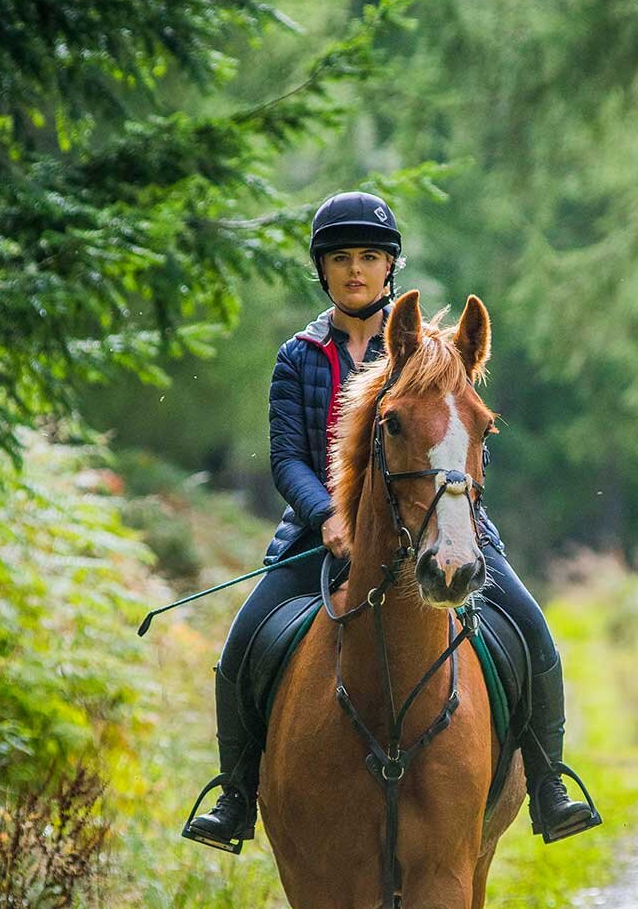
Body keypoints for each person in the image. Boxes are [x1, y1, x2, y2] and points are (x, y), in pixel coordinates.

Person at [182, 190, 601, 852]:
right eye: (342, 258)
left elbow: (456, 439)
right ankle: (235, 796)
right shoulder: (299, 356)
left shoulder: (427, 353)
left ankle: (549, 783)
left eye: (370, 257)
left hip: (436, 520)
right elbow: (289, 458)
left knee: (532, 631)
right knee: (243, 646)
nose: (356, 269)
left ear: (390, 268)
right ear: (323, 269)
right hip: (321, 534)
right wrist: (326, 517)